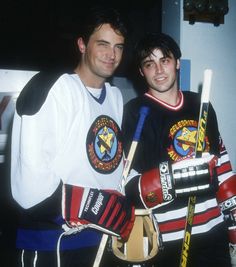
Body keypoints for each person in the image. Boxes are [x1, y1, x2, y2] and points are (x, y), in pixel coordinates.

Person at [10, 6, 135, 267]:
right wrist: (94, 205)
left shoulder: (115, 97)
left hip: (103, 241)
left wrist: (143, 186)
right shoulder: (50, 87)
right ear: (82, 44)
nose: (111, 55)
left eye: (119, 47)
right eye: (103, 44)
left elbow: (109, 167)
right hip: (54, 244)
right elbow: (29, 187)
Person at [121, 32, 236, 267]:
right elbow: (131, 186)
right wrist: (178, 177)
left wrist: (234, 226)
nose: (159, 70)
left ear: (177, 63)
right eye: (149, 64)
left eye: (165, 60)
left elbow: (223, 167)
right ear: (142, 72)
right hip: (166, 239)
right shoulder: (134, 112)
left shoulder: (200, 105)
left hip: (214, 232)